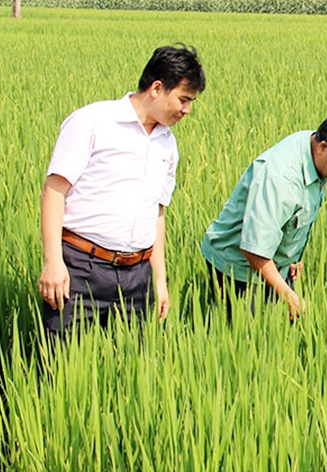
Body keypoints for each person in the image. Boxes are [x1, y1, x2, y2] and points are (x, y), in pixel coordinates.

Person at [38, 44, 206, 337]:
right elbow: (54, 191)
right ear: (157, 88)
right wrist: (53, 263)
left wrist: (160, 281)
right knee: (62, 359)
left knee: (132, 361)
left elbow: (157, 213)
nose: (187, 110)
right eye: (183, 99)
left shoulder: (167, 143)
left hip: (137, 276)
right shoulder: (93, 121)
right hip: (82, 267)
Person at [200, 112, 327, 319]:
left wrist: (292, 255)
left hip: (274, 261)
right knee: (249, 333)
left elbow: (292, 215)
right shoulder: (280, 180)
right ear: (323, 147)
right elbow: (254, 249)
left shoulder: (314, 149)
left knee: (281, 325)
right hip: (239, 267)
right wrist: (286, 293)